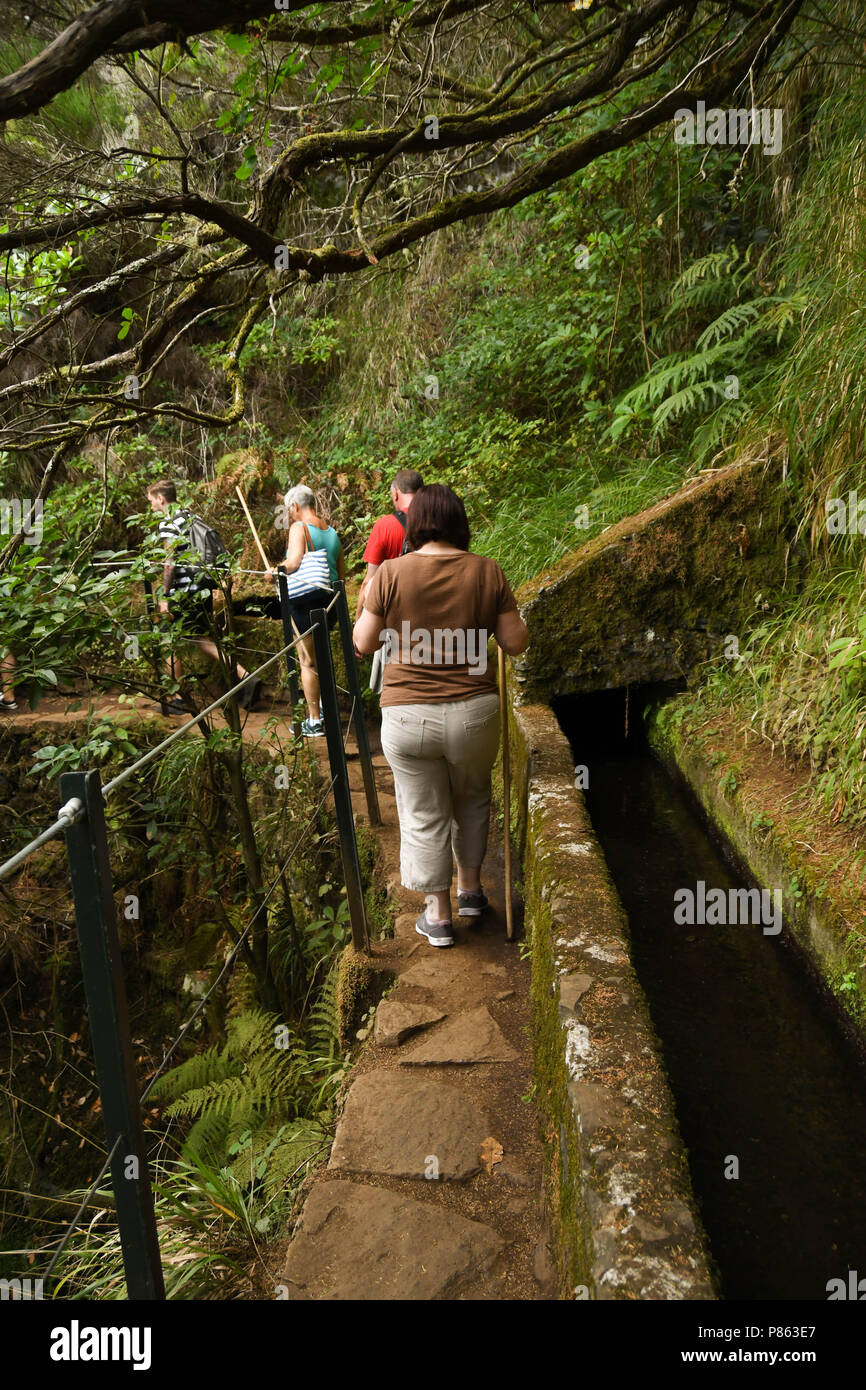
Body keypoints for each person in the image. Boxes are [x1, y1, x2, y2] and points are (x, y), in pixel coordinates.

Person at [353, 483, 529, 947]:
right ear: (459, 523)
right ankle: (471, 891)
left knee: (423, 812)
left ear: (415, 523)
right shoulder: (488, 572)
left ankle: (438, 915)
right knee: (472, 798)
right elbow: (516, 642)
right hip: (473, 713)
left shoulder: (389, 574)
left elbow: (363, 643)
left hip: (408, 715)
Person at [146, 480, 260, 715]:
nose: (150, 505)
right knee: (198, 639)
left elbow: (170, 561)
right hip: (201, 589)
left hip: (183, 592)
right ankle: (245, 676)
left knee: (173, 639)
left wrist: (165, 595)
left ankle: (177, 697)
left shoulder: (168, 522)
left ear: (161, 498)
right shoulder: (189, 515)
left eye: (151, 500)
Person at [268, 484, 344, 738]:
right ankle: (323, 709)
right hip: (330, 602)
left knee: (307, 661)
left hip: (305, 602)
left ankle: (314, 720)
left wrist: (274, 571)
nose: (290, 515)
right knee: (320, 658)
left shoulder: (298, 527)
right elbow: (340, 575)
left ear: (296, 506)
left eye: (290, 510)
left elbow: (294, 562)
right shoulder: (332, 532)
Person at [355, 469, 423, 617]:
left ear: (396, 494)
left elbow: (370, 581)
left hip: (398, 615)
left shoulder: (384, 526)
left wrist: (358, 619)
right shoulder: (439, 519)